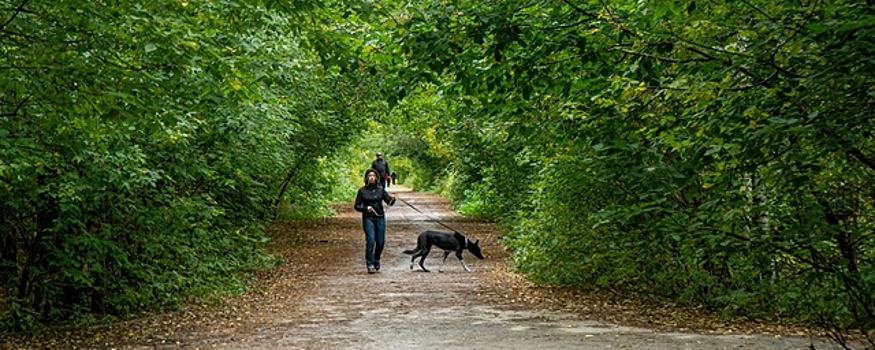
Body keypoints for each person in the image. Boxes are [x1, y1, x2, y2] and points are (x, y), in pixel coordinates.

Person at [354, 168, 396, 274]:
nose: (371, 177)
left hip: (380, 217)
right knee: (371, 240)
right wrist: (365, 209)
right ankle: (370, 264)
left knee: (380, 242)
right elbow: (357, 206)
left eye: (373, 176)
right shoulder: (362, 191)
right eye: (369, 176)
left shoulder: (380, 189)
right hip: (368, 218)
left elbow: (389, 202)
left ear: (376, 177)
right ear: (366, 178)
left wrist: (392, 199)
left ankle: (377, 259)